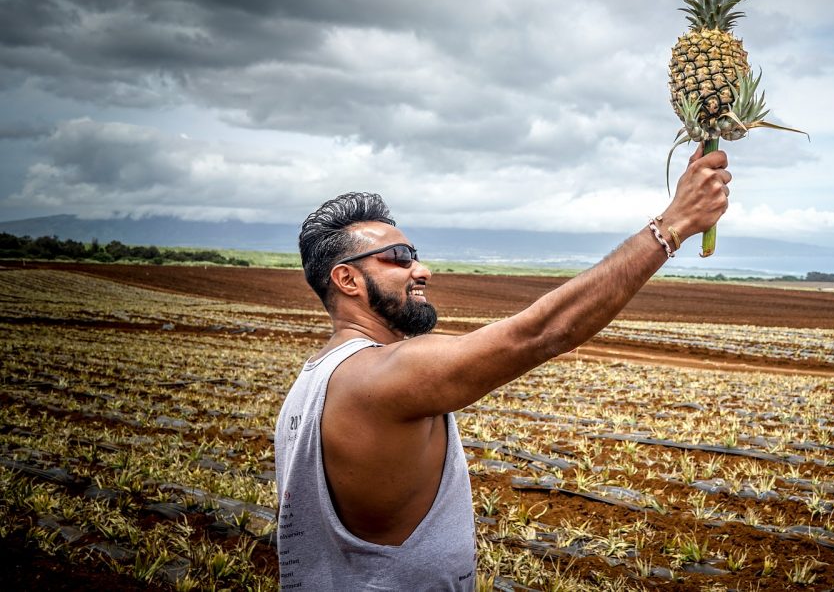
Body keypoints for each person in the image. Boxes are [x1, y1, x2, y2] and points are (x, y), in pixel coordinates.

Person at [274, 146, 731, 589]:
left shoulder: (313, 381)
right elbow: (541, 332)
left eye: (414, 253)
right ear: (347, 279)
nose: (422, 269)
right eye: (398, 258)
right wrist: (671, 226)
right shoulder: (378, 377)